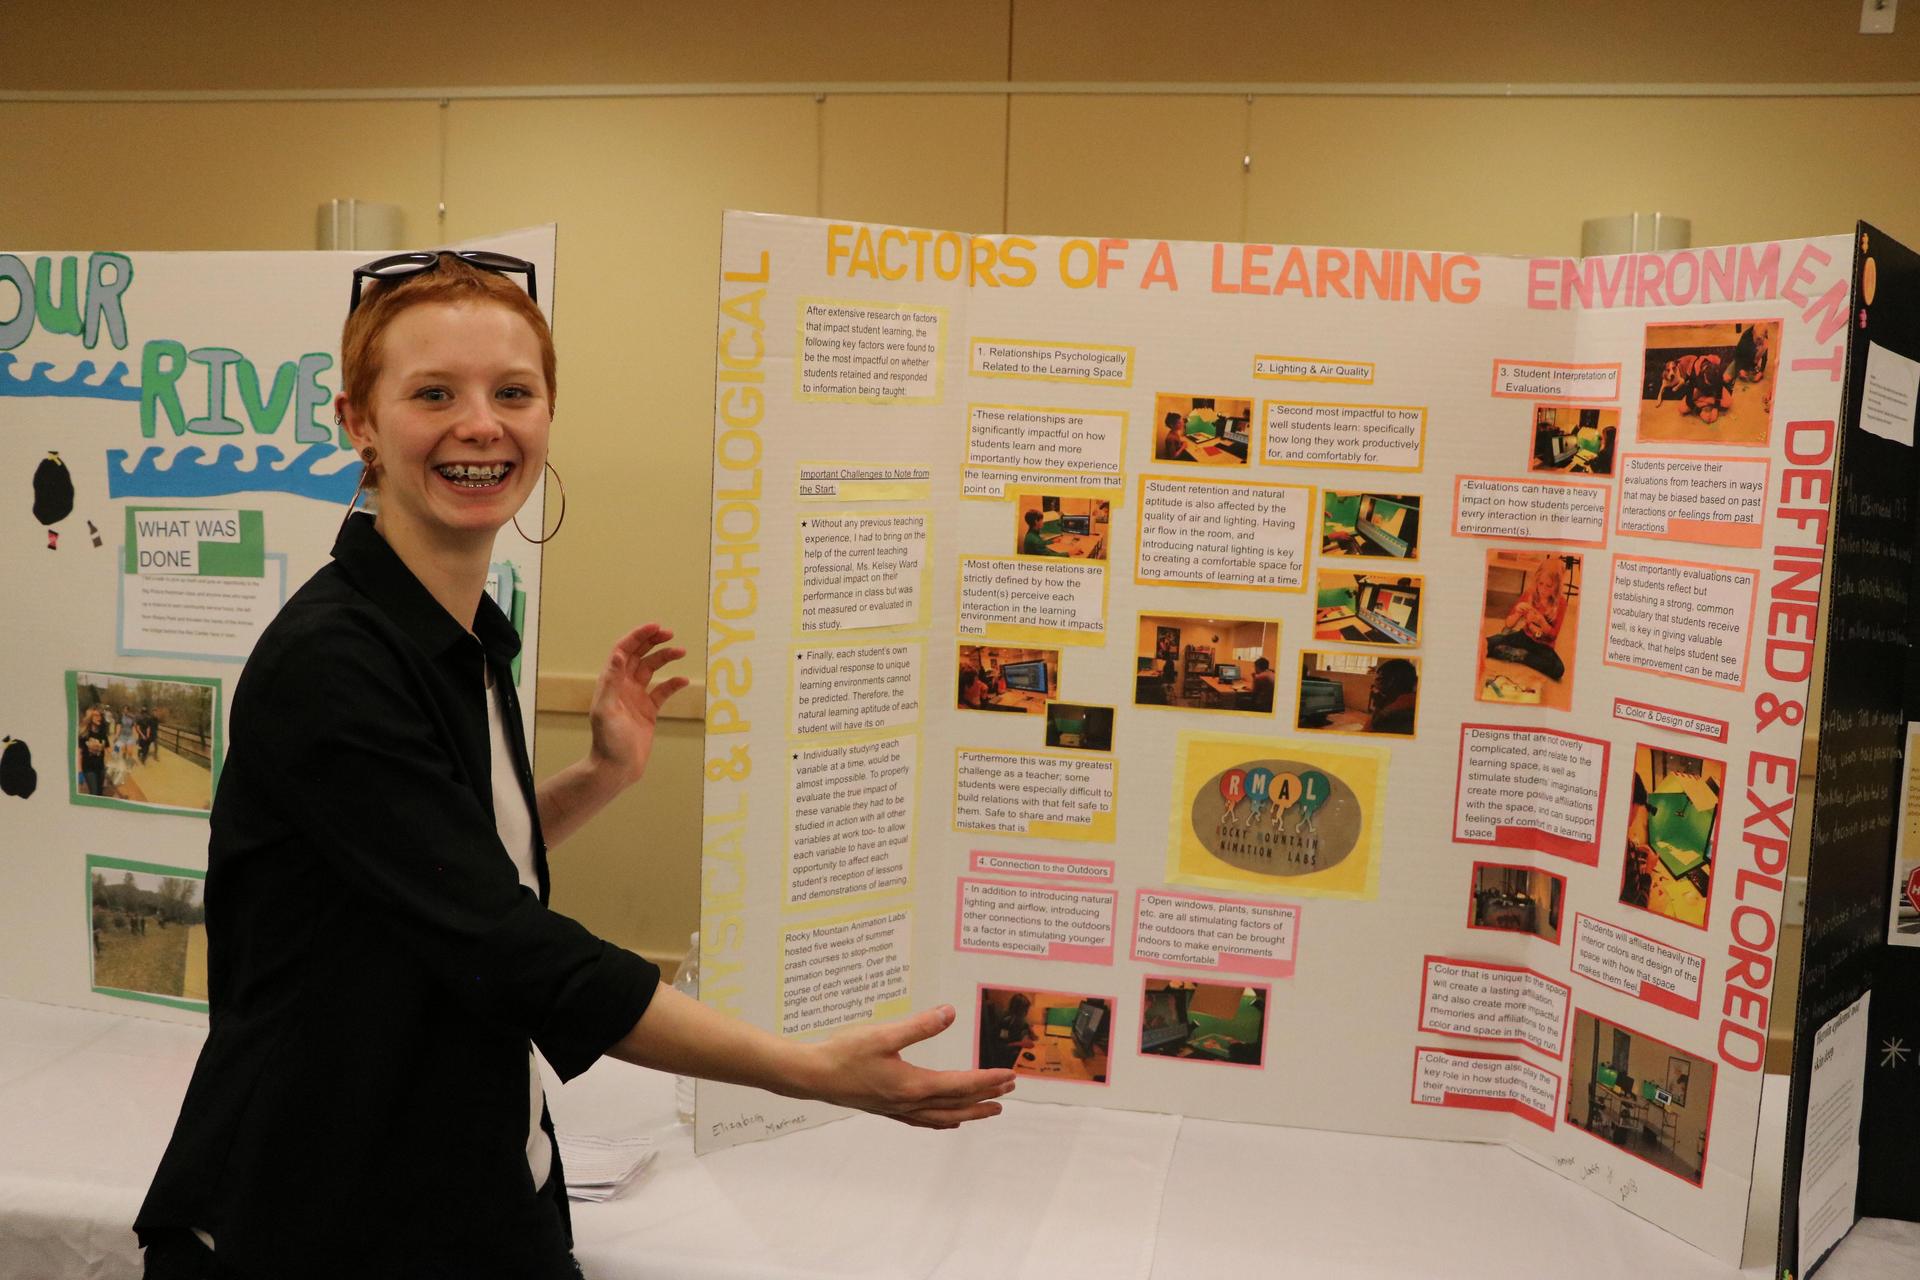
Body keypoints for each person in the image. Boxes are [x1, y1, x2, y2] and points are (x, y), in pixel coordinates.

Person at [135, 253, 1013, 1280]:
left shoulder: (460, 631)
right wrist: (803, 1068)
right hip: (311, 1215)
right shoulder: (333, 661)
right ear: (358, 421)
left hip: (465, 1178)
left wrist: (600, 774)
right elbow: (503, 941)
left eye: (514, 391)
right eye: (433, 393)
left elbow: (431, 863)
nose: (481, 424)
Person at [1485, 555, 1569, 681]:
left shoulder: (1561, 603)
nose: (1543, 589)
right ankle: (1517, 652)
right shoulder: (1530, 593)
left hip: (1544, 646)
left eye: (1549, 586)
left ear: (1557, 587)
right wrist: (1518, 613)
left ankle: (1521, 656)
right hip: (1524, 636)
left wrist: (1541, 621)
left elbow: (1553, 635)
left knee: (1558, 669)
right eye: (1540, 583)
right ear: (1536, 580)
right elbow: (1508, 623)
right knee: (1486, 643)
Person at [1366, 658, 1418, 734]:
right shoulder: (1411, 702)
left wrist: (1379, 707)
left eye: (1379, 678)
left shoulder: (1392, 715)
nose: (1375, 683)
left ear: (1391, 681)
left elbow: (1370, 730)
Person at [76, 705, 111, 797]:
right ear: (90, 717)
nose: (99, 718)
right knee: (94, 793)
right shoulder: (84, 734)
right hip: (88, 768)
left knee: (100, 792)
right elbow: (79, 753)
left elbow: (108, 750)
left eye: (100, 716)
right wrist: (79, 772)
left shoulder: (102, 733)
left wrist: (116, 757)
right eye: (96, 715)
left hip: (100, 768)